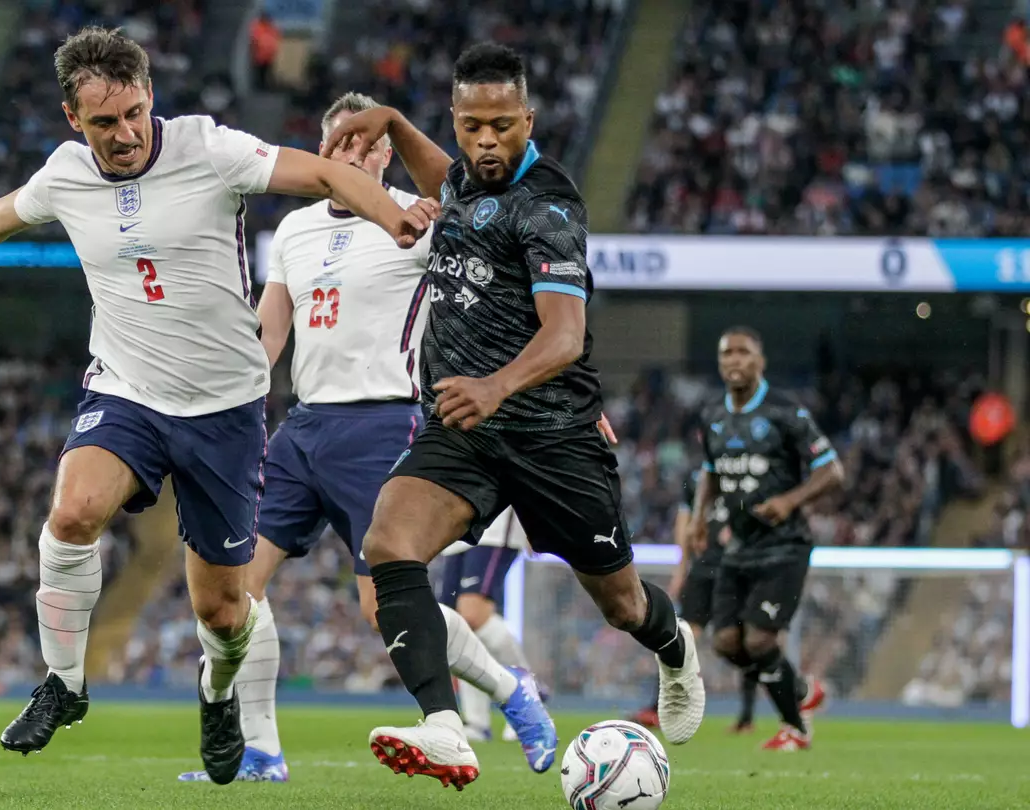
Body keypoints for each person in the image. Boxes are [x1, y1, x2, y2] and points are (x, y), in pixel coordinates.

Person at [0, 27, 434, 785]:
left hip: (224, 409)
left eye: (134, 115)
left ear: (151, 98)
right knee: (74, 511)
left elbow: (319, 174)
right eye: (103, 123)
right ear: (71, 119)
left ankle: (218, 692)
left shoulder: (209, 149)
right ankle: (63, 683)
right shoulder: (64, 175)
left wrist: (389, 214)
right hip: (126, 389)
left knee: (222, 612)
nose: (123, 135)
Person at [321, 43, 706, 788]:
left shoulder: (551, 207)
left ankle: (675, 647)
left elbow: (563, 335)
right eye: (471, 126)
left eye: (502, 125)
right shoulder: (467, 176)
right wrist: (396, 123)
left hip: (552, 436)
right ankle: (443, 727)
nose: (486, 141)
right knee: (390, 544)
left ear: (528, 119)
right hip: (465, 433)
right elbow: (451, 183)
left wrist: (496, 387)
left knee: (622, 605)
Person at [175, 92, 554, 784]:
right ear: (323, 150)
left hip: (384, 423)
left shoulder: (420, 218)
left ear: (384, 152)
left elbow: (497, 293)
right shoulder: (292, 230)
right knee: (235, 590)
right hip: (302, 429)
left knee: (383, 603)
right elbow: (271, 329)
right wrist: (219, 409)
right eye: (338, 143)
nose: (352, 153)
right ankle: (262, 752)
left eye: (364, 144)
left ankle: (508, 689)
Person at [691, 326, 839, 752]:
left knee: (759, 640)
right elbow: (711, 471)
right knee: (725, 642)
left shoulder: (785, 412)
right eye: (727, 354)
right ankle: (800, 690)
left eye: (744, 352)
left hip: (784, 545)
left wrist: (790, 500)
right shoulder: (712, 415)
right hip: (738, 545)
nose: (734, 360)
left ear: (761, 361)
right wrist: (699, 519)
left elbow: (833, 471)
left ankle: (797, 729)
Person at [629, 465, 760, 733]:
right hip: (702, 570)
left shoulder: (750, 468)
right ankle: (657, 707)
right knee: (680, 636)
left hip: (736, 569)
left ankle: (748, 716)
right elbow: (684, 522)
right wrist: (681, 570)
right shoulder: (698, 476)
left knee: (743, 640)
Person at [436, 508, 535, 743]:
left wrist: (536, 523)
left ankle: (529, 698)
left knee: (472, 615)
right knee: (455, 626)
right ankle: (477, 721)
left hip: (493, 524)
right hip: (456, 530)